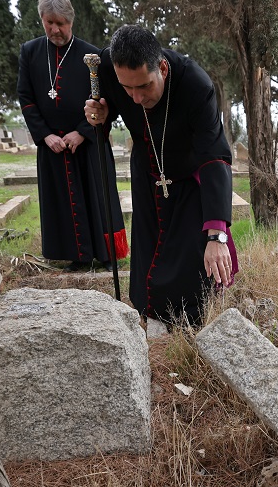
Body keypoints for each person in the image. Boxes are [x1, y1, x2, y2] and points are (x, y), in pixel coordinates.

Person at [85, 25, 237, 326]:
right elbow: (104, 107)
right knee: (148, 249)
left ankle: (190, 320)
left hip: (188, 174)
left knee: (189, 255)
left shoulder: (196, 85)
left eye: (144, 86)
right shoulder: (107, 68)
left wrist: (217, 234)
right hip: (146, 170)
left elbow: (214, 156)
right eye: (128, 89)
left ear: (163, 69)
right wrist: (99, 115)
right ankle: (147, 311)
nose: (136, 97)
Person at [17, 0, 127, 271]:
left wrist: (82, 132)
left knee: (98, 198)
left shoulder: (92, 55)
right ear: (42, 19)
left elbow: (107, 102)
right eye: (49, 22)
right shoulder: (30, 52)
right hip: (52, 146)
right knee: (62, 204)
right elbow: (26, 98)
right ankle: (77, 257)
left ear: (71, 21)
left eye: (61, 23)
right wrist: (45, 135)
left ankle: (106, 256)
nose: (55, 29)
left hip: (88, 142)